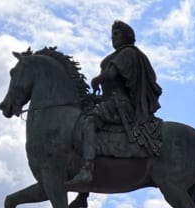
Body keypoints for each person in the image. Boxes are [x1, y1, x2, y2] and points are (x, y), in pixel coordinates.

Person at [67, 19, 163, 188]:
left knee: (89, 123)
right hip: (111, 102)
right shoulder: (120, 54)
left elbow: (111, 74)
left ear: (127, 36)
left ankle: (88, 168)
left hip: (120, 105)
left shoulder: (128, 53)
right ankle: (84, 193)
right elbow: (108, 90)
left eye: (117, 34)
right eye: (112, 35)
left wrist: (97, 79)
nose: (113, 38)